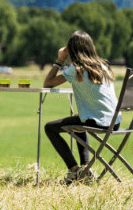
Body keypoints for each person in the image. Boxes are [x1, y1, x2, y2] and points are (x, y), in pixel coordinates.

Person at [43, 31, 120, 184]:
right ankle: (85, 169)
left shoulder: (76, 69)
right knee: (79, 119)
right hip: (115, 122)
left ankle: (74, 170)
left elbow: (47, 83)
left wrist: (60, 60)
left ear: (71, 50)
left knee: (49, 128)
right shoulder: (103, 67)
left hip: (99, 122)